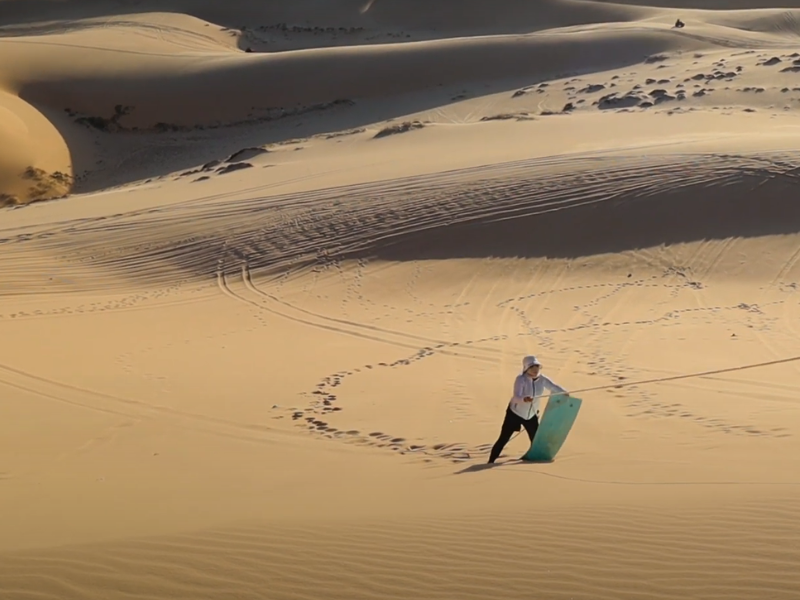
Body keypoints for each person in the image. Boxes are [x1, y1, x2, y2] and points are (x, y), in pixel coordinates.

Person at [487, 355, 569, 464]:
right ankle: (490, 462)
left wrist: (564, 392)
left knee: (536, 441)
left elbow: (554, 387)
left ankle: (536, 459)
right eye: (532, 368)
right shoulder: (521, 379)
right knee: (504, 438)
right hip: (515, 414)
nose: (535, 370)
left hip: (531, 415)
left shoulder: (543, 379)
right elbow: (516, 396)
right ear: (526, 368)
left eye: (537, 368)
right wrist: (524, 399)